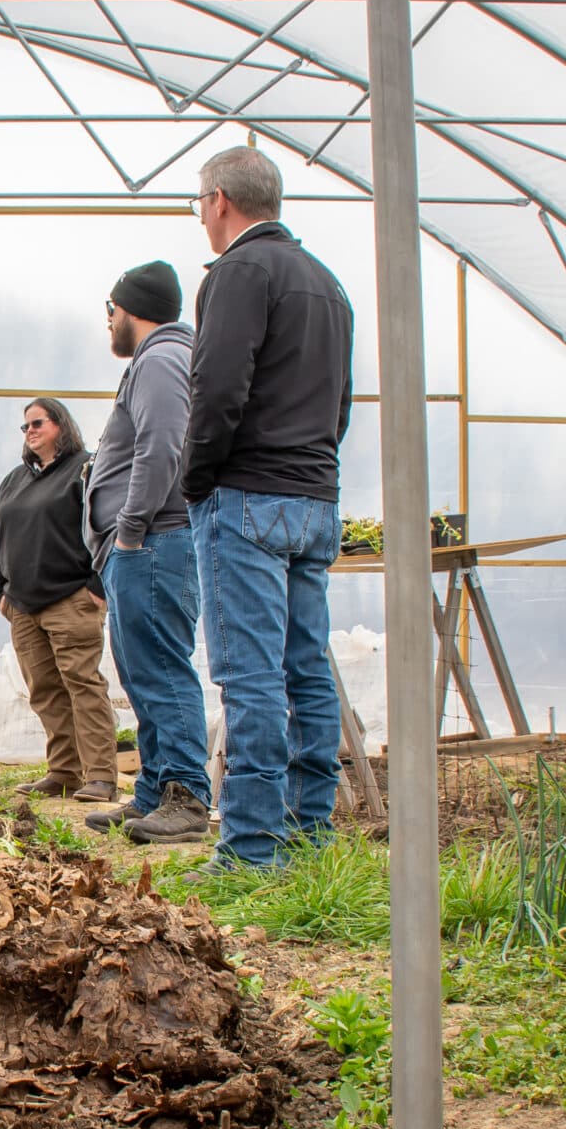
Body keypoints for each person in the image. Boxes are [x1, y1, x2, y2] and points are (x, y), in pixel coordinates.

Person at [184, 146, 354, 869]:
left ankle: (253, 848)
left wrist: (197, 476)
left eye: (199, 201)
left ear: (220, 199)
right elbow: (339, 404)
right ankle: (311, 833)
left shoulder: (238, 273)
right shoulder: (328, 285)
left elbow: (218, 388)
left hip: (249, 495)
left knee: (250, 674)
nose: (200, 214)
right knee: (306, 668)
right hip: (314, 496)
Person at [84, 262, 214, 846]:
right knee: (142, 675)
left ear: (130, 310)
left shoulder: (160, 360)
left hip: (154, 541)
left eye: (109, 311)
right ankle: (155, 793)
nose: (107, 322)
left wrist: (131, 529)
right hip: (142, 545)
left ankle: (186, 797)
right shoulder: (158, 360)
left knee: (161, 670)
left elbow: (162, 448)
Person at [0, 398, 116, 805]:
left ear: (60, 424)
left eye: (37, 423)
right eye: (24, 427)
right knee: (44, 690)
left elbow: (107, 527)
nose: (29, 432)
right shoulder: (14, 480)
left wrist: (96, 584)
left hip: (70, 598)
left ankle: (100, 777)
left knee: (82, 683)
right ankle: (63, 771)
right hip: (23, 605)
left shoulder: (85, 470)